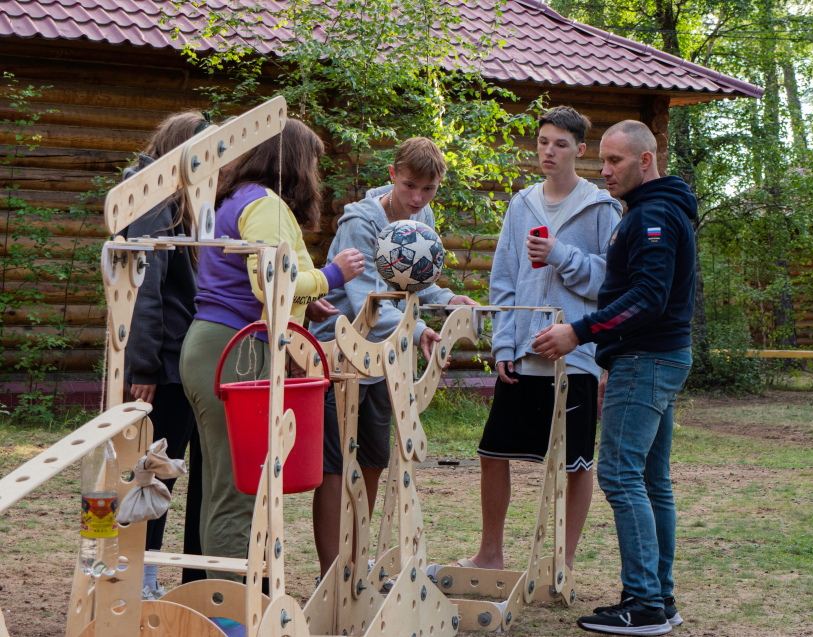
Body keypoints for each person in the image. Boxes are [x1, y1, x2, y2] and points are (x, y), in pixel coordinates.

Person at [180, 119, 365, 581]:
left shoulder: (238, 198)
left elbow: (262, 281)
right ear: (297, 161)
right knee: (239, 489)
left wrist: (305, 302)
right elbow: (270, 282)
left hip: (218, 346)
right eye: (314, 163)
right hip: (237, 352)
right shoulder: (265, 203)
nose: (316, 174)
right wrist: (333, 275)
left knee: (223, 484)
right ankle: (229, 607)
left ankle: (224, 596)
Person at [532, 119, 697, 635]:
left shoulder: (654, 216)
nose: (603, 171)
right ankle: (659, 598)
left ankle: (644, 604)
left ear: (646, 160)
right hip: (655, 357)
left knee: (622, 476)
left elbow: (648, 298)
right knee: (651, 480)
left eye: (614, 160)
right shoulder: (653, 209)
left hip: (648, 359)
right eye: (601, 160)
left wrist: (578, 333)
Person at [308, 137, 478, 577]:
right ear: (392, 175)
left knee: (372, 460)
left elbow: (415, 281)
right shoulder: (361, 222)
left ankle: (357, 561)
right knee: (335, 467)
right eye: (409, 186)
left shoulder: (423, 217)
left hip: (387, 360)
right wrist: (418, 330)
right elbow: (367, 300)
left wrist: (447, 298)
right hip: (340, 354)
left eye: (428, 189)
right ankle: (332, 574)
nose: (418, 198)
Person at [463, 107, 621, 573]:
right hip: (524, 354)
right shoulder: (521, 203)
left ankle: (562, 563)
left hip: (576, 355)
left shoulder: (601, 207)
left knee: (575, 463)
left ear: (580, 150)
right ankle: (490, 555)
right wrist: (503, 345)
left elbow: (610, 283)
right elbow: (503, 280)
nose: (548, 152)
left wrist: (561, 255)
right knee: (492, 452)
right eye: (543, 142)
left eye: (560, 144)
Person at [120, 111, 208, 599]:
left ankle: (180, 578)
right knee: (154, 473)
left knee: (175, 471)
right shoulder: (155, 200)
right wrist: (145, 366)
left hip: (183, 359)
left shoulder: (184, 200)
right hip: (164, 366)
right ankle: (142, 576)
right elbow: (143, 289)